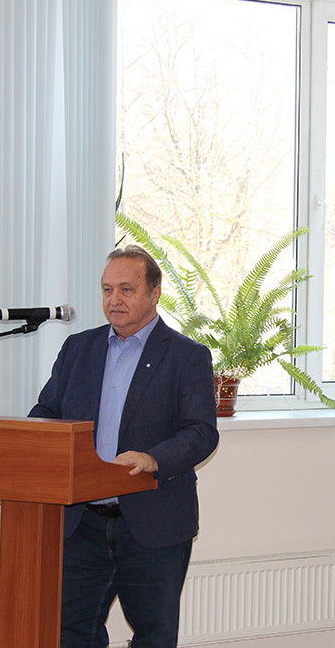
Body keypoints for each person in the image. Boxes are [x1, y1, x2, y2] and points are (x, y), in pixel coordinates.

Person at [29, 245, 219, 648]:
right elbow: (46, 412)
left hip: (153, 521)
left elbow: (201, 431)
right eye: (107, 289)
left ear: (154, 293)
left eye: (126, 289)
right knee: (68, 634)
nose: (114, 300)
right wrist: (28, 439)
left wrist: (153, 459)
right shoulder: (78, 349)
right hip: (81, 522)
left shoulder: (186, 356)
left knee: (154, 636)